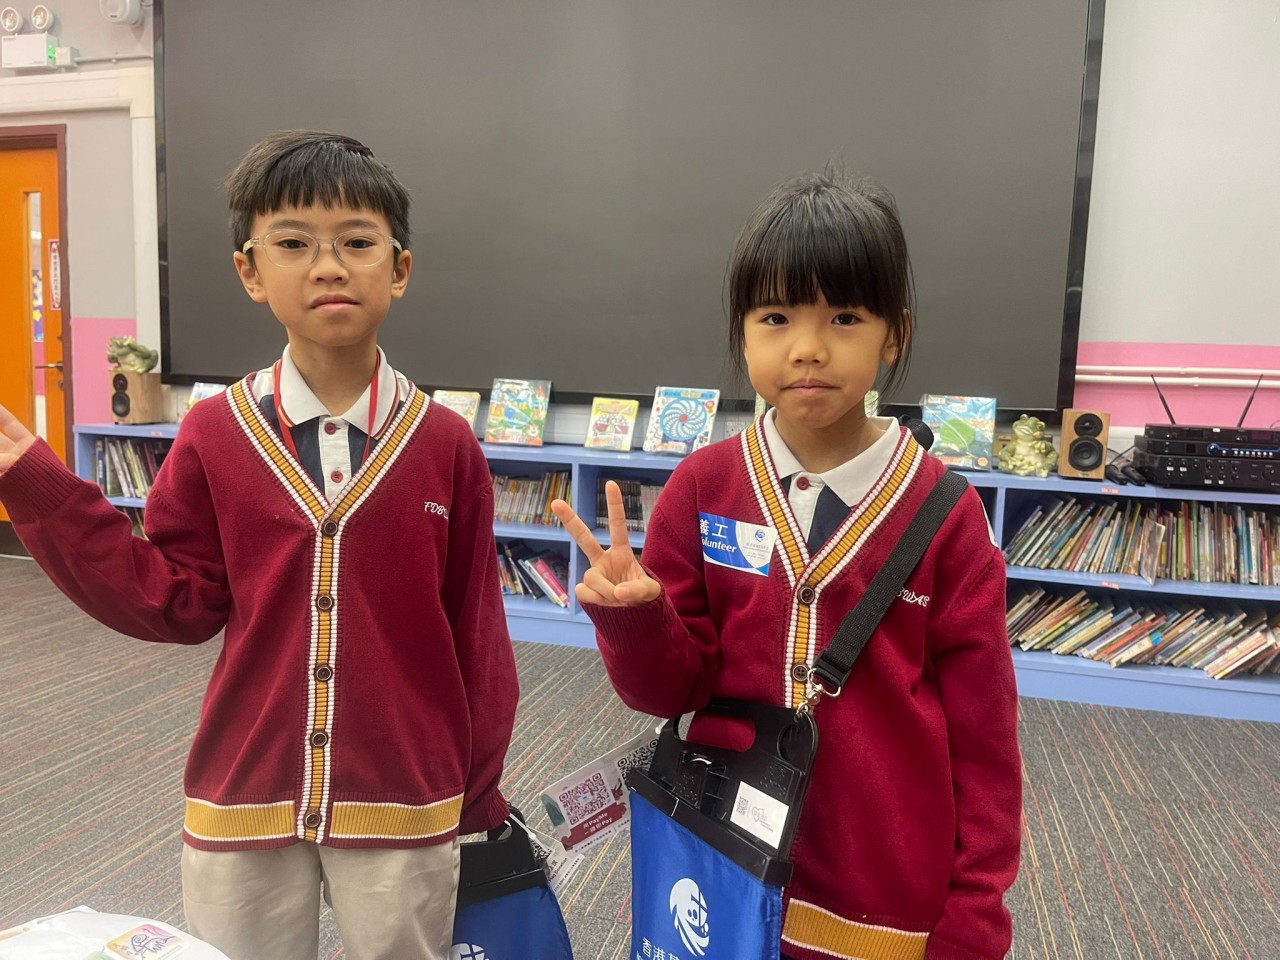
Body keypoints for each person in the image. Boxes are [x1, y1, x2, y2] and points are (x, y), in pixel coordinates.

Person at [0, 130, 519, 960]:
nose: (328, 266)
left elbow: (477, 634)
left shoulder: (444, 443)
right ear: (249, 271)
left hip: (407, 796)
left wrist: (478, 794)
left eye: (357, 242)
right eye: (293, 244)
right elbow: (171, 597)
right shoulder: (216, 432)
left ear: (399, 269)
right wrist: (40, 491)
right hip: (244, 790)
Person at [552, 172, 1021, 960]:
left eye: (845, 317)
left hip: (884, 908)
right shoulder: (702, 487)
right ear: (743, 334)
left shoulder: (947, 516)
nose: (807, 347)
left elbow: (987, 746)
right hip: (722, 879)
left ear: (894, 335)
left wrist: (974, 923)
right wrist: (634, 619)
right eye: (775, 318)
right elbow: (669, 691)